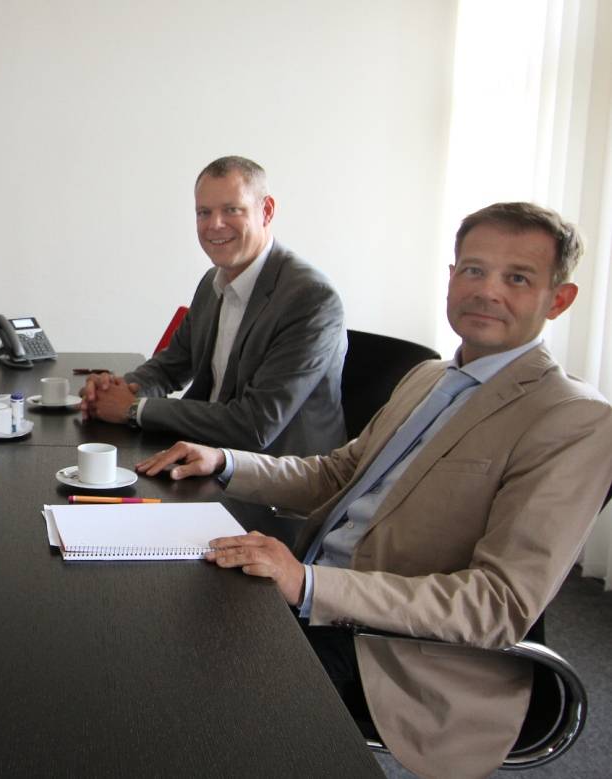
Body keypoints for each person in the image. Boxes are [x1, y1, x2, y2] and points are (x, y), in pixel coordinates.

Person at [136, 202, 612, 778]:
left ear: (558, 300)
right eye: (472, 270)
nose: (486, 291)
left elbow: (498, 605)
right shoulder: (430, 376)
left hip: (398, 649)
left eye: (517, 278)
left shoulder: (575, 419)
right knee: (152, 616)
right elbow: (338, 474)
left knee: (188, 697)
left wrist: (309, 583)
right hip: (313, 590)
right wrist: (225, 461)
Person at [81, 156, 346, 456]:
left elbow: (256, 424)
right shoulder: (212, 282)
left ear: (267, 211)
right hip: (208, 456)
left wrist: (133, 409)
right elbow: (171, 366)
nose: (214, 225)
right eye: (203, 212)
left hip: (279, 478)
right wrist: (115, 391)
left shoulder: (311, 298)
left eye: (232, 210)